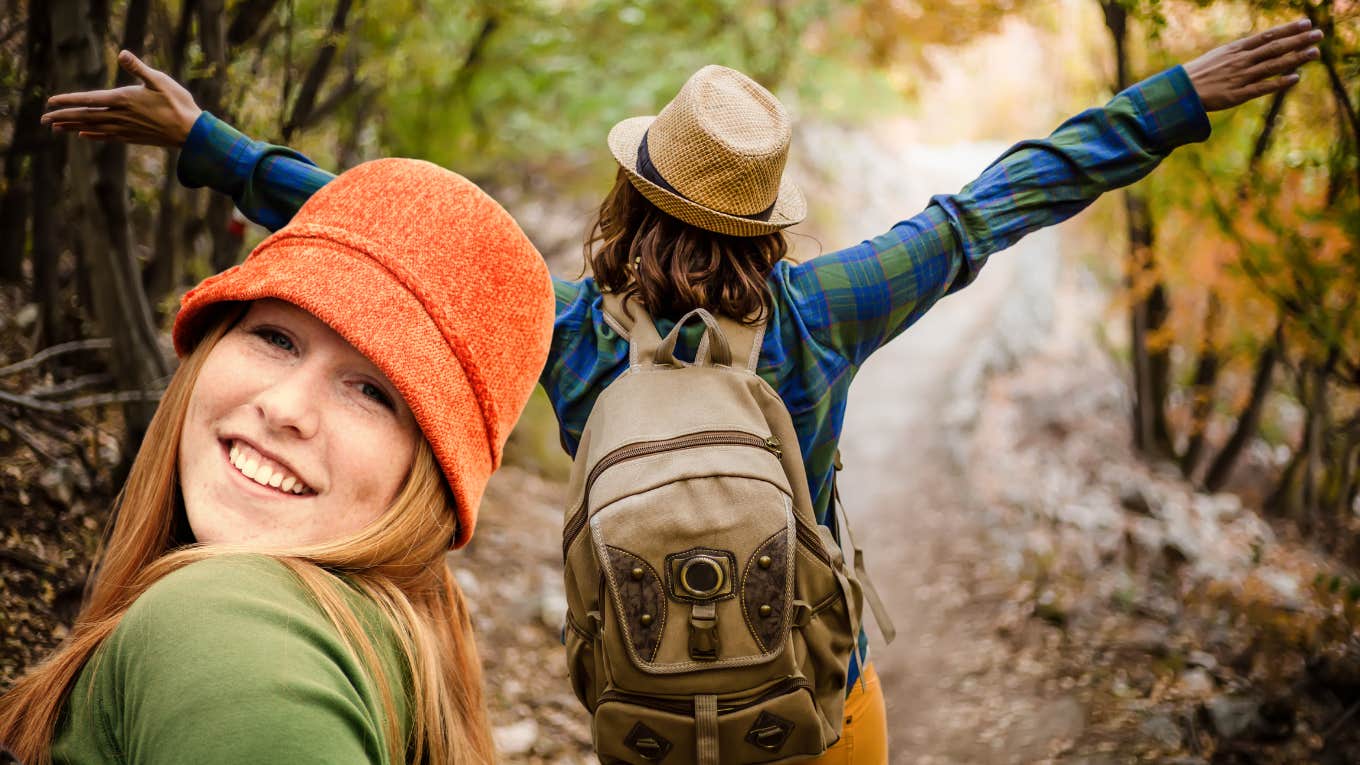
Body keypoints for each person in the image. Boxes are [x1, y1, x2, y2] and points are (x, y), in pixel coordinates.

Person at [41, 18, 1323, 762]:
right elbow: (993, 204)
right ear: (768, 228)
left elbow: (384, 237)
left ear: (625, 193)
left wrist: (208, 143)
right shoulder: (821, 314)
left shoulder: (567, 330)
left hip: (642, 692)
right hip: (819, 696)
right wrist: (1171, 101)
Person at [0, 158, 556, 763]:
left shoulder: (223, 627)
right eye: (276, 338)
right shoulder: (389, 642)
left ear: (430, 480)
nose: (285, 407)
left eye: (372, 392)